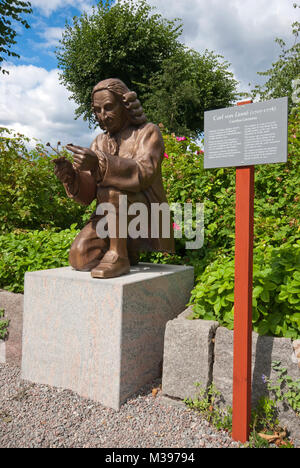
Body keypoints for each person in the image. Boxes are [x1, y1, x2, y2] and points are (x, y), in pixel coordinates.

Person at [53, 78, 174, 278]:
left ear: (124, 105)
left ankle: (119, 255)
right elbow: (88, 194)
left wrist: (100, 162)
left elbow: (143, 173)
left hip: (144, 215)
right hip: (109, 217)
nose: (103, 116)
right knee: (79, 257)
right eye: (97, 110)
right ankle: (126, 249)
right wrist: (71, 178)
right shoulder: (99, 141)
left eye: (109, 107)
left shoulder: (147, 132)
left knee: (113, 190)